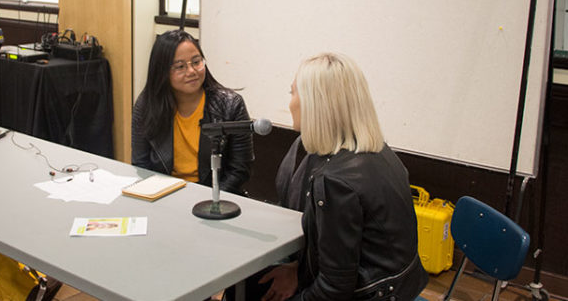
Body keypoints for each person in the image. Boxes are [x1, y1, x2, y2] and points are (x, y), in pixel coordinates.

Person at [257, 53, 428, 301]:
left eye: (292, 93)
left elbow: (334, 289)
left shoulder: (336, 181)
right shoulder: (378, 151)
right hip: (401, 285)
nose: (290, 102)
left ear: (315, 105)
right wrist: (298, 271)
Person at [131, 29, 253, 194]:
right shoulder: (146, 105)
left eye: (196, 62)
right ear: (162, 71)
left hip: (214, 195)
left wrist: (210, 199)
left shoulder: (231, 105)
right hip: (164, 193)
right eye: (180, 66)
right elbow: (140, 164)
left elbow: (240, 170)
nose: (191, 71)